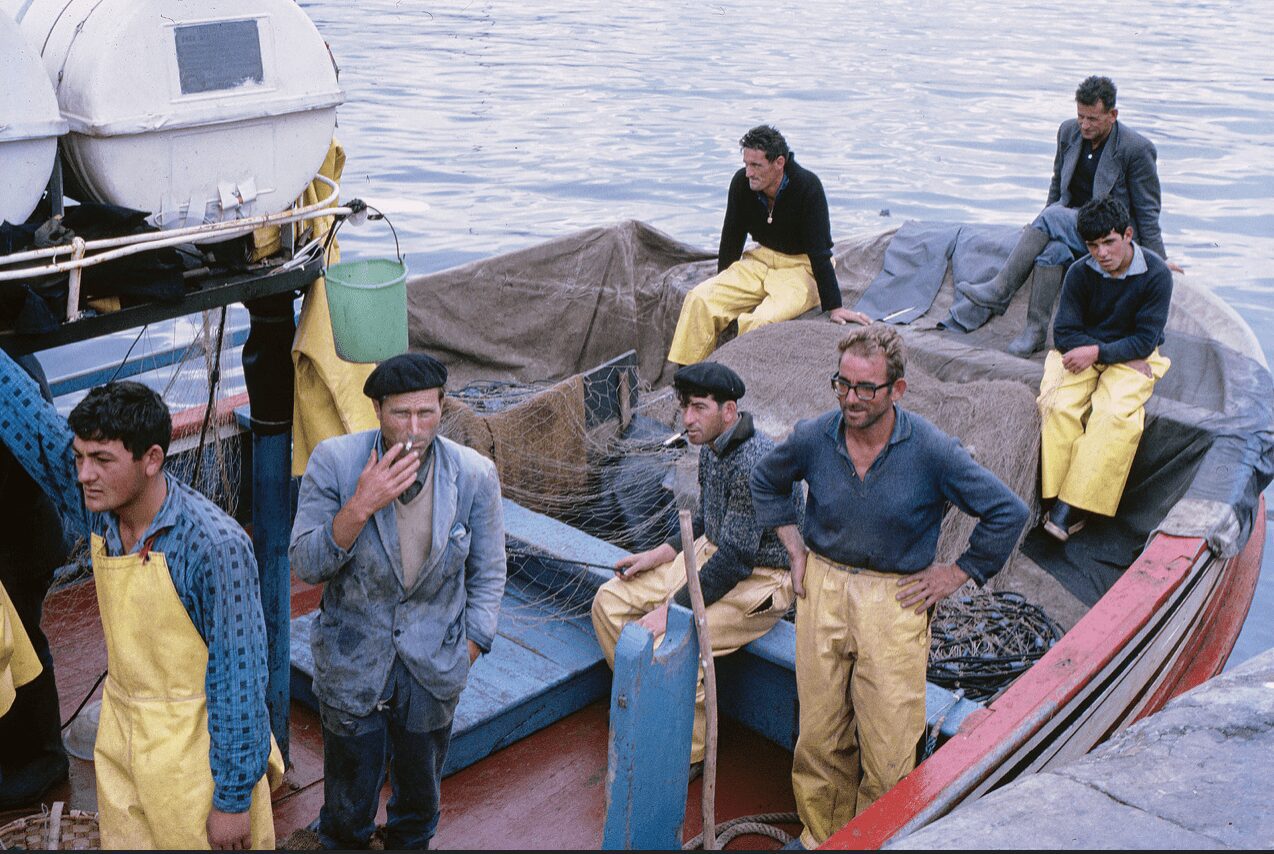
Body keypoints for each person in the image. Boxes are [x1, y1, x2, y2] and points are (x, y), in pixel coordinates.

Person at [750, 325, 1029, 849]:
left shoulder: (932, 450)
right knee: (819, 735)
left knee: (890, 743)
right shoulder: (816, 435)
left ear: (897, 390)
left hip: (894, 599)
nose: (850, 399)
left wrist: (956, 573)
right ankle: (820, 836)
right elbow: (767, 478)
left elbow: (1005, 512)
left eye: (865, 388)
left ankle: (872, 839)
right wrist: (794, 547)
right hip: (823, 588)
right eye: (843, 384)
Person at [0, 352, 281, 850]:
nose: (83, 474)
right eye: (81, 457)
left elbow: (240, 680)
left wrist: (233, 801)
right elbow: (32, 425)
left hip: (198, 758)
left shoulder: (214, 546)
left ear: (152, 459)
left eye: (101, 460)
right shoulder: (103, 508)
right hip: (124, 743)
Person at [289, 352, 507, 850]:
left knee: (418, 806)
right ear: (376, 409)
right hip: (353, 662)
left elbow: (490, 572)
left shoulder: (474, 475)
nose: (413, 427)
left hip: (433, 670)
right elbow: (306, 564)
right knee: (346, 807)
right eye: (400, 414)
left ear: (442, 407)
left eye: (426, 413)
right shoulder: (335, 462)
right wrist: (361, 504)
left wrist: (469, 649)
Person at [591, 361, 802, 774]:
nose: (687, 419)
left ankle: (688, 753)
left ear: (729, 410)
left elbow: (738, 560)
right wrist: (655, 555)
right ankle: (650, 703)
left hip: (759, 579)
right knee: (608, 602)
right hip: (712, 553)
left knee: (676, 641)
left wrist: (672, 608)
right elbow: (706, 521)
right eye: (685, 406)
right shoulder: (712, 448)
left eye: (699, 407)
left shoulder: (755, 463)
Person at [952, 75, 1174, 355]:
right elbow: (1058, 187)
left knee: (1052, 217)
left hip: (1106, 235)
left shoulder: (1136, 149)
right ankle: (1034, 331)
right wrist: (1039, 230)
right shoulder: (1068, 132)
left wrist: (1159, 260)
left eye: (1092, 118)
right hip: (1070, 228)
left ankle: (1000, 290)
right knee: (1051, 251)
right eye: (1080, 116)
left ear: (1112, 115)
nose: (1084, 124)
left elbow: (1148, 211)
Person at [667, 125, 868, 366]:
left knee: (761, 320)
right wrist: (724, 280)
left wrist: (834, 306)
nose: (748, 173)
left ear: (779, 162)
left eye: (756, 166)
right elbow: (732, 236)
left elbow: (819, 251)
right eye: (746, 164)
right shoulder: (741, 184)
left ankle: (736, 380)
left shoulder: (808, 187)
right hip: (760, 260)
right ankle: (689, 379)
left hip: (801, 267)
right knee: (699, 299)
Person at [1036, 195, 1172, 541]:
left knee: (1114, 415)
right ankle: (1054, 496)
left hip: (1123, 354)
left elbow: (1146, 339)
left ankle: (1070, 508)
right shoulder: (1081, 272)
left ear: (1128, 235)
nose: (1102, 253)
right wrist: (1106, 353)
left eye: (1109, 242)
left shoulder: (1156, 274)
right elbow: (1063, 332)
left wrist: (1098, 350)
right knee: (1057, 404)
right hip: (1097, 351)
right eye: (1093, 245)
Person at [0, 355, 70, 809]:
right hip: (25, 526)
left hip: (22, 534)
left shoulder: (11, 374)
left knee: (21, 641)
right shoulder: (17, 354)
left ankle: (45, 759)